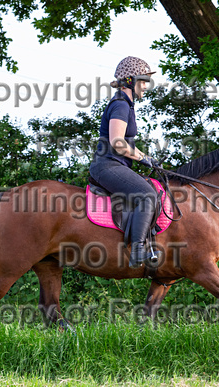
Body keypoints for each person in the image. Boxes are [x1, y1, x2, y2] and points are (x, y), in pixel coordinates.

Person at [89, 56, 161, 268]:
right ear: (131, 80)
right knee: (147, 195)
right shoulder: (121, 105)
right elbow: (117, 143)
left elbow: (127, 143)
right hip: (107, 165)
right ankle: (138, 250)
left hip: (115, 165)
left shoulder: (127, 105)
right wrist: (143, 159)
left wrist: (147, 158)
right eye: (143, 81)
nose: (146, 87)